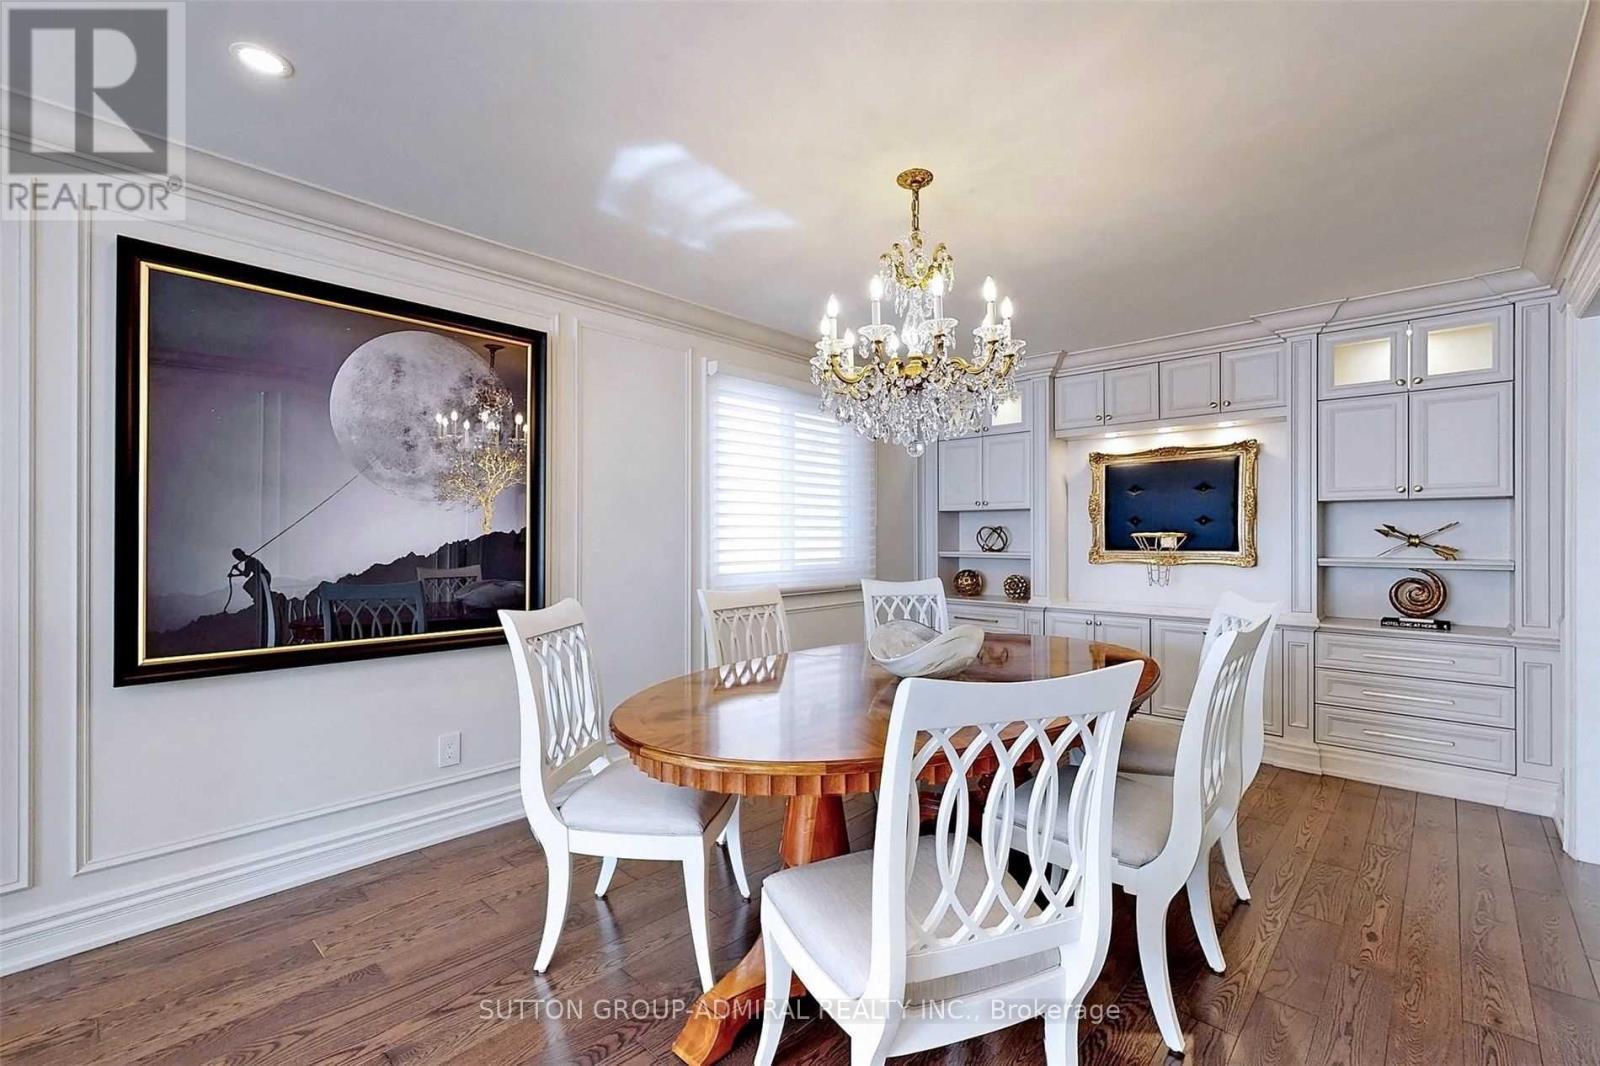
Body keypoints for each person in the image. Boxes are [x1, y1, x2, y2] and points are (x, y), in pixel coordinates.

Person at [228, 548, 277, 648]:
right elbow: (247, 574)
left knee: (247, 586)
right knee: (250, 586)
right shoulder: (249, 560)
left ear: (241, 554)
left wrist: (235, 572)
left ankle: (258, 599)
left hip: (263, 576)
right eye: (236, 557)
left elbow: (246, 575)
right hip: (262, 576)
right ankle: (258, 599)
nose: (237, 558)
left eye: (237, 556)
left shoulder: (250, 561)